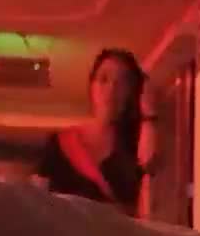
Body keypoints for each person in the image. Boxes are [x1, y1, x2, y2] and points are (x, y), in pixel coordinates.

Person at [32, 49, 161, 213]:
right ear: (91, 86)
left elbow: (149, 184)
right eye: (104, 79)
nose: (111, 89)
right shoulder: (60, 143)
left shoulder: (134, 145)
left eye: (122, 83)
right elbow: (37, 200)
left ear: (132, 93)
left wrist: (148, 114)